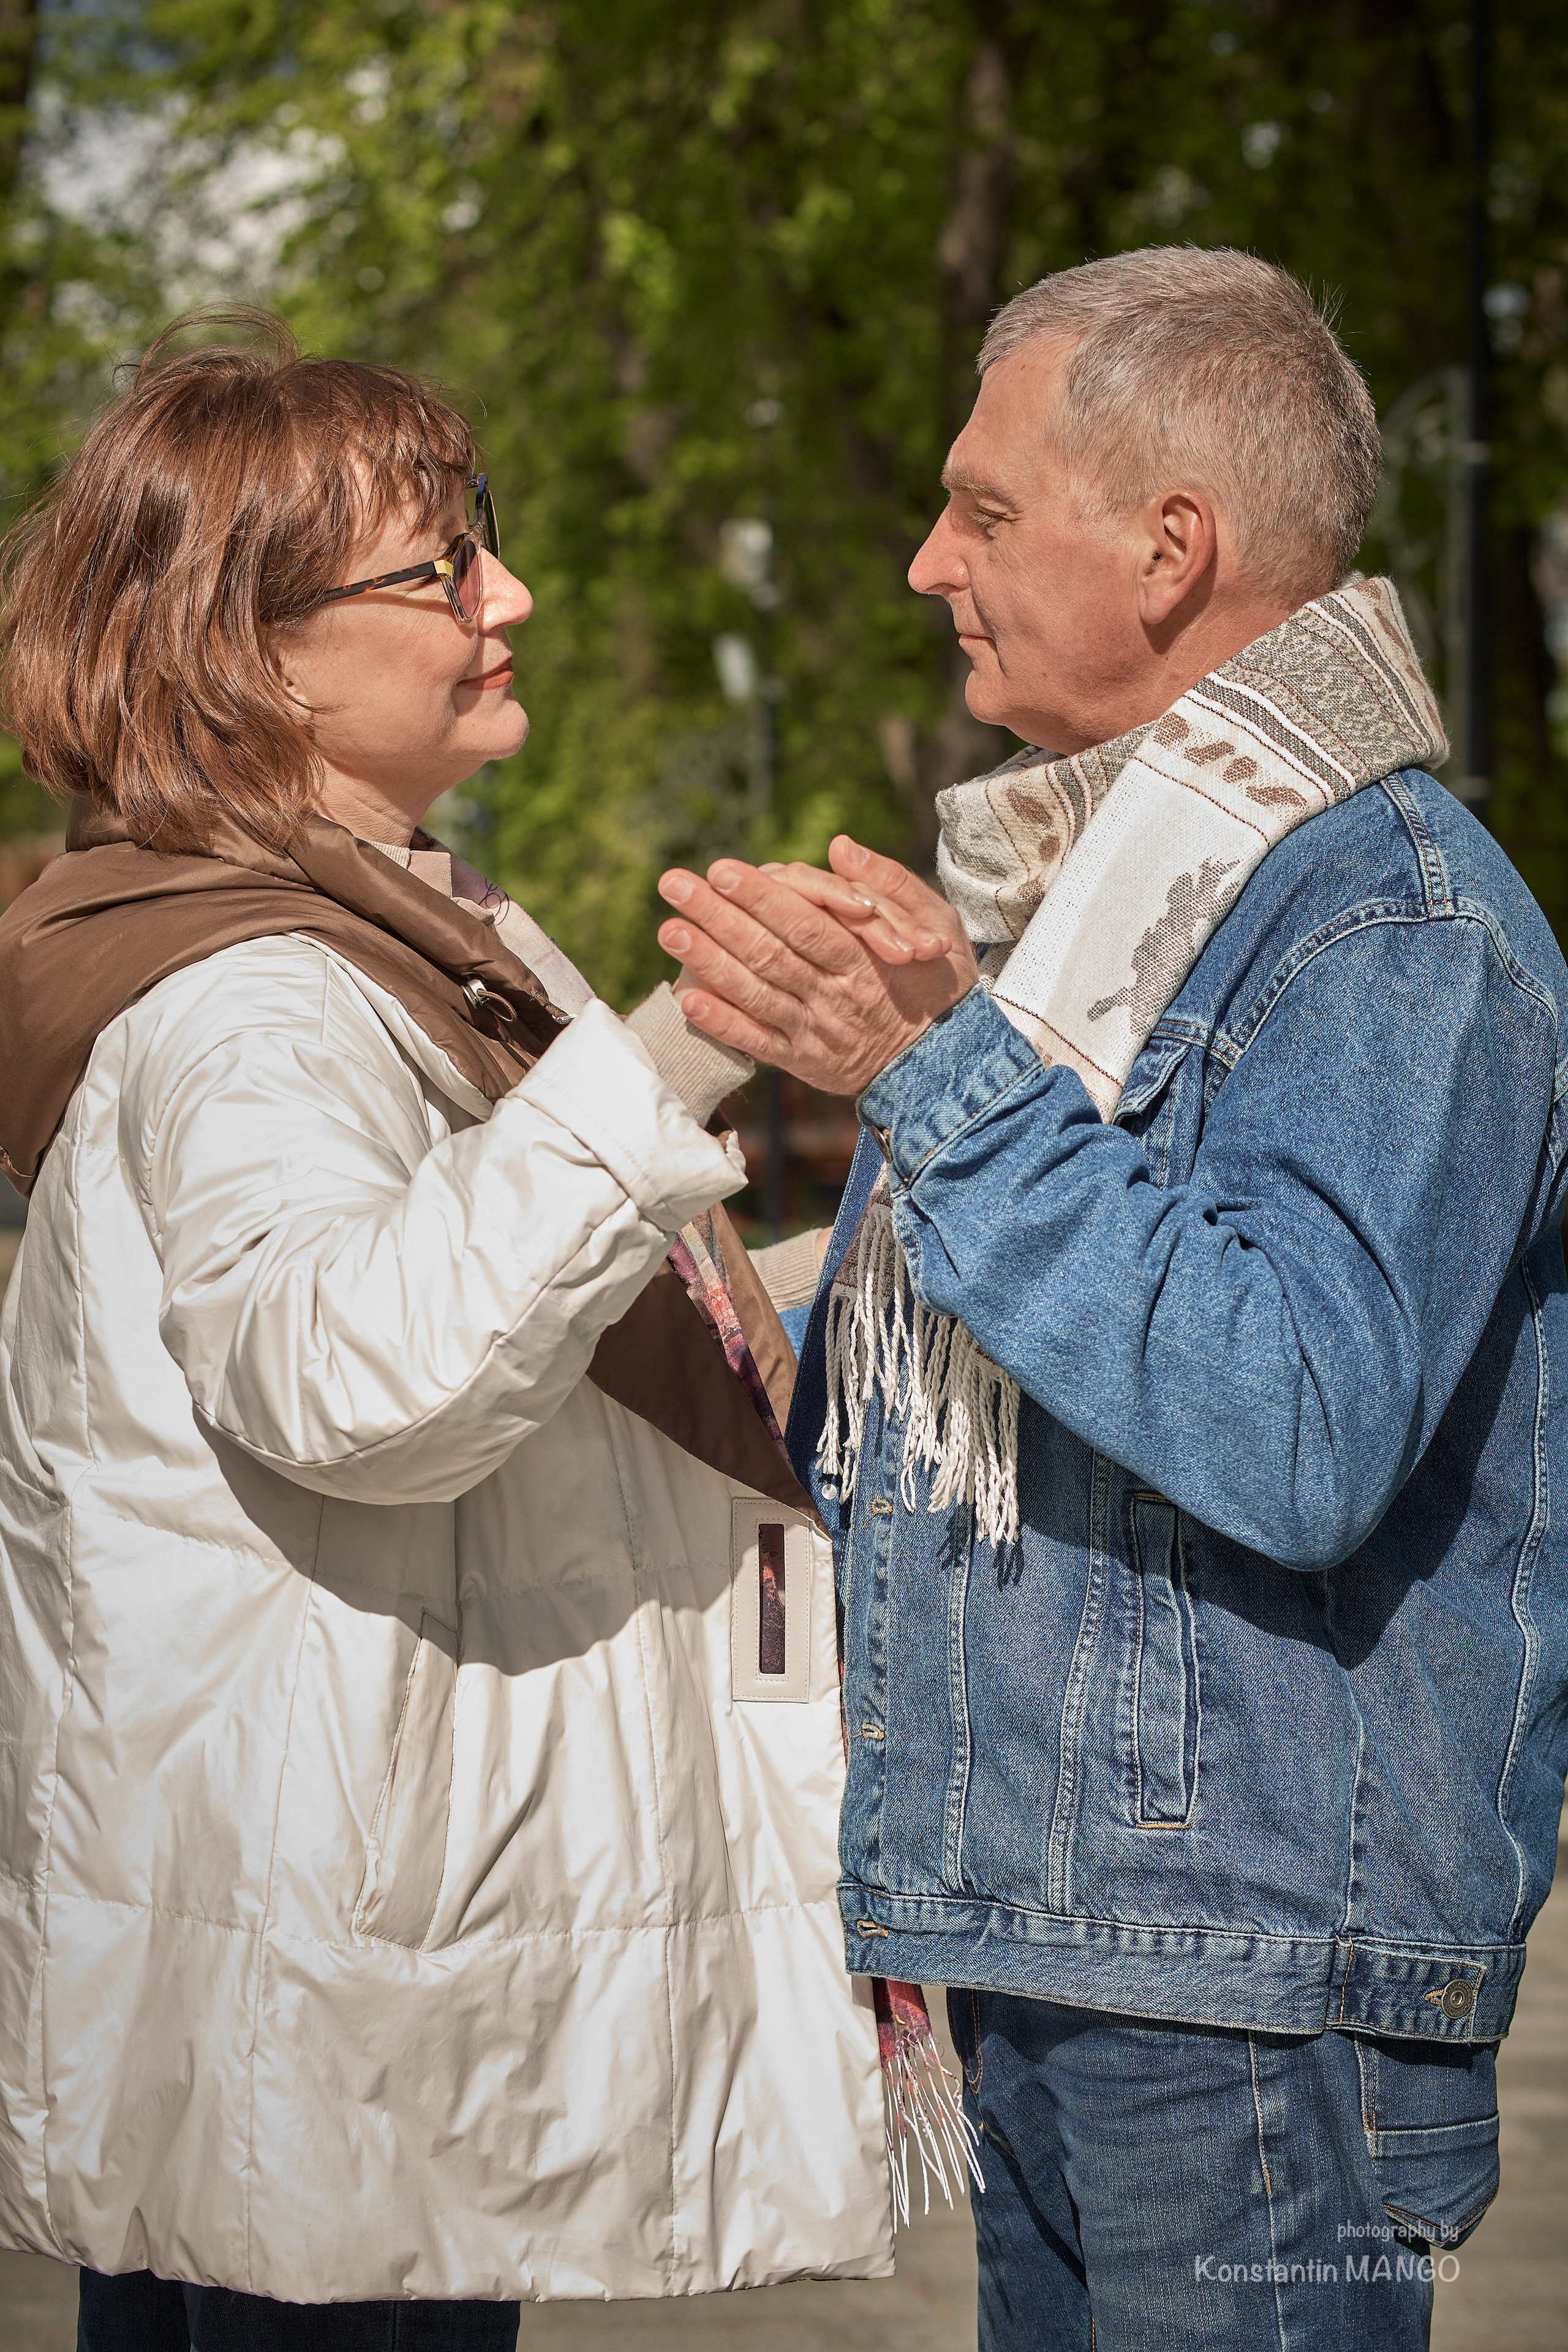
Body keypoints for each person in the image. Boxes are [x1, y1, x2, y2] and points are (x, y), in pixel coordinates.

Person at [655, 246, 1568, 2351]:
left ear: (1174, 549)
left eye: (982, 509)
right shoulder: (1109, 905)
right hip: (1091, 1944)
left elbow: (1296, 1419)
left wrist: (932, 1076)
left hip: (1249, 1989)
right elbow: (1029, 1379)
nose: (923, 561)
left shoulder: (1387, 916)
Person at [0, 317, 893, 2348]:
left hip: (363, 1977)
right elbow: (355, 1374)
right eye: (437, 568)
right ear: (247, 650)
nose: (509, 597)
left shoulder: (373, 932)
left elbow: (539, 1332)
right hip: (335, 1992)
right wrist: (687, 1047)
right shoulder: (251, 1002)